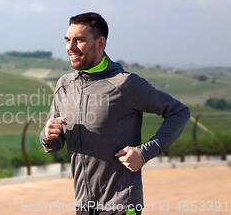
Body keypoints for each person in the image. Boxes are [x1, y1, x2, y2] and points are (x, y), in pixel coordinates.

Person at [39, 12, 190, 215]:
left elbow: (178, 112)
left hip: (121, 205)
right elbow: (55, 145)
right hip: (84, 205)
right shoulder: (64, 85)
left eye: (79, 40)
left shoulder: (125, 84)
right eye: (68, 40)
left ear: (100, 43)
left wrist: (145, 153)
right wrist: (48, 135)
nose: (70, 47)